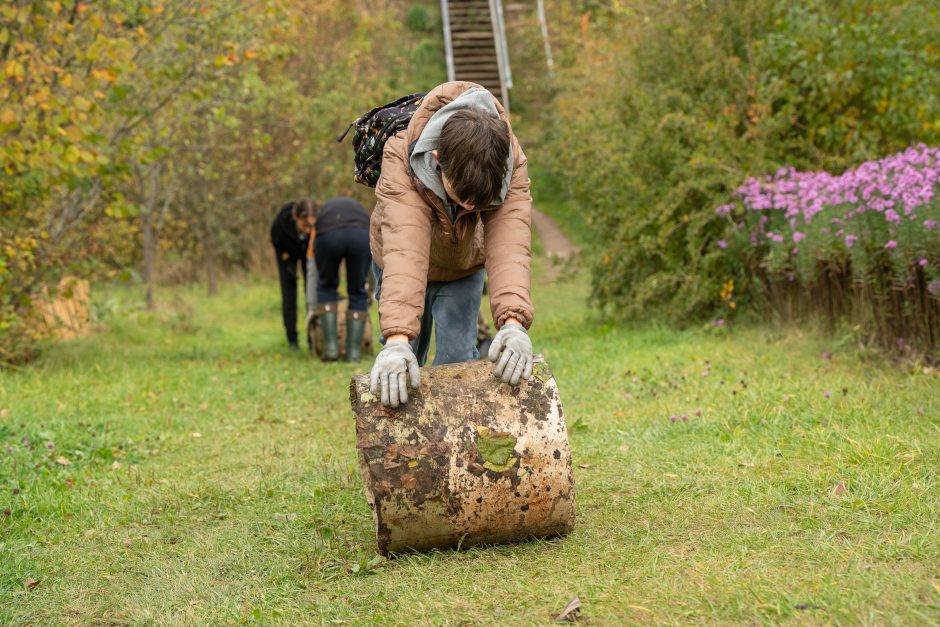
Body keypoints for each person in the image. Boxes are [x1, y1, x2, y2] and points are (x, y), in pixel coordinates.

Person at [368, 81, 534, 407]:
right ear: (437, 158)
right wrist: (397, 339)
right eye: (462, 198)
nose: (470, 209)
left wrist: (513, 323)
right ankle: (402, 445)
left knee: (458, 359)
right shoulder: (399, 155)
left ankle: (455, 446)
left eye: (479, 203)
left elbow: (510, 243)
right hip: (404, 259)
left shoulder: (510, 159)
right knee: (404, 360)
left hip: (463, 265)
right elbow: (405, 247)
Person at [313, 196, 372, 361]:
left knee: (326, 286)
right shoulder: (358, 209)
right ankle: (353, 354)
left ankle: (331, 350)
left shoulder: (325, 212)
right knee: (358, 290)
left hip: (328, 233)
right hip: (361, 234)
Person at [270, 198, 316, 350]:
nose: (308, 230)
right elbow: (275, 240)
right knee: (289, 294)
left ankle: (313, 338)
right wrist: (286, 259)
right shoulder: (281, 224)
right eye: (304, 225)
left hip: (308, 252)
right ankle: (292, 340)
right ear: (296, 217)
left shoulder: (316, 227)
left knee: (311, 294)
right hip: (286, 252)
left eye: (311, 226)